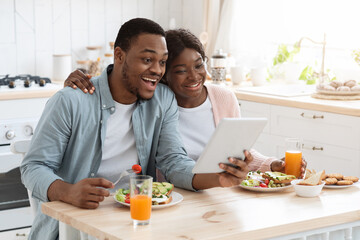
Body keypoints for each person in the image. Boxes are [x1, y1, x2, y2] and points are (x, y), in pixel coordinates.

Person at [21, 19, 252, 240]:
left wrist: (218, 178)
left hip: (138, 222)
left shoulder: (163, 100)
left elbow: (173, 161)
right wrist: (67, 191)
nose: (157, 70)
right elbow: (33, 167)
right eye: (147, 60)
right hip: (75, 225)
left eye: (162, 62)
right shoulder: (71, 101)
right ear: (119, 56)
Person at [65, 28, 306, 178]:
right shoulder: (153, 103)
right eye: (180, 70)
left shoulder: (223, 97)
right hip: (176, 197)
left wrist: (272, 164)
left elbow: (239, 151)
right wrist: (82, 81)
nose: (194, 76)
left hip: (219, 192)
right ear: (164, 74)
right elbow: (123, 77)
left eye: (199, 65)